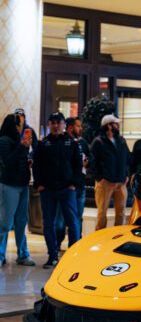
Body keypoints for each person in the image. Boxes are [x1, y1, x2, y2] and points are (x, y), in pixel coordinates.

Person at [33, 112, 82, 268]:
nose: (55, 125)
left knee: (73, 223)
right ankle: (53, 256)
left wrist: (74, 183)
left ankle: (73, 257)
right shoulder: (43, 144)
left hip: (67, 190)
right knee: (49, 224)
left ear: (63, 125)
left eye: (58, 122)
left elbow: (78, 165)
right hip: (48, 191)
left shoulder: (72, 143)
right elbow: (36, 165)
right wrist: (38, 184)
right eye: (52, 122)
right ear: (49, 125)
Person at [0, 114, 35, 266]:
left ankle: (23, 254)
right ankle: (1, 255)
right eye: (21, 124)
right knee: (5, 222)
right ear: (13, 125)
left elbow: (18, 160)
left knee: (22, 221)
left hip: (22, 184)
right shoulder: (4, 141)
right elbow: (7, 161)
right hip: (9, 185)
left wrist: (27, 160)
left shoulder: (21, 141)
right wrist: (22, 147)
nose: (23, 126)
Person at [90, 113, 130, 230]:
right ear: (108, 126)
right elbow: (93, 162)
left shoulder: (121, 140)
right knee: (102, 214)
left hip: (121, 183)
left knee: (121, 213)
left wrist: (126, 174)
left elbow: (126, 158)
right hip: (105, 183)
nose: (118, 126)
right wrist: (100, 178)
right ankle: (100, 241)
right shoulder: (98, 142)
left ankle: (116, 239)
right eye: (116, 124)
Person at [56, 117, 90, 245]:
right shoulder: (61, 141)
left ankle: (75, 246)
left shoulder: (83, 143)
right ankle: (56, 245)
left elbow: (89, 158)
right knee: (60, 221)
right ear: (70, 127)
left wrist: (87, 163)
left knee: (78, 219)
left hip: (80, 186)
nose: (80, 128)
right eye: (78, 126)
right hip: (66, 187)